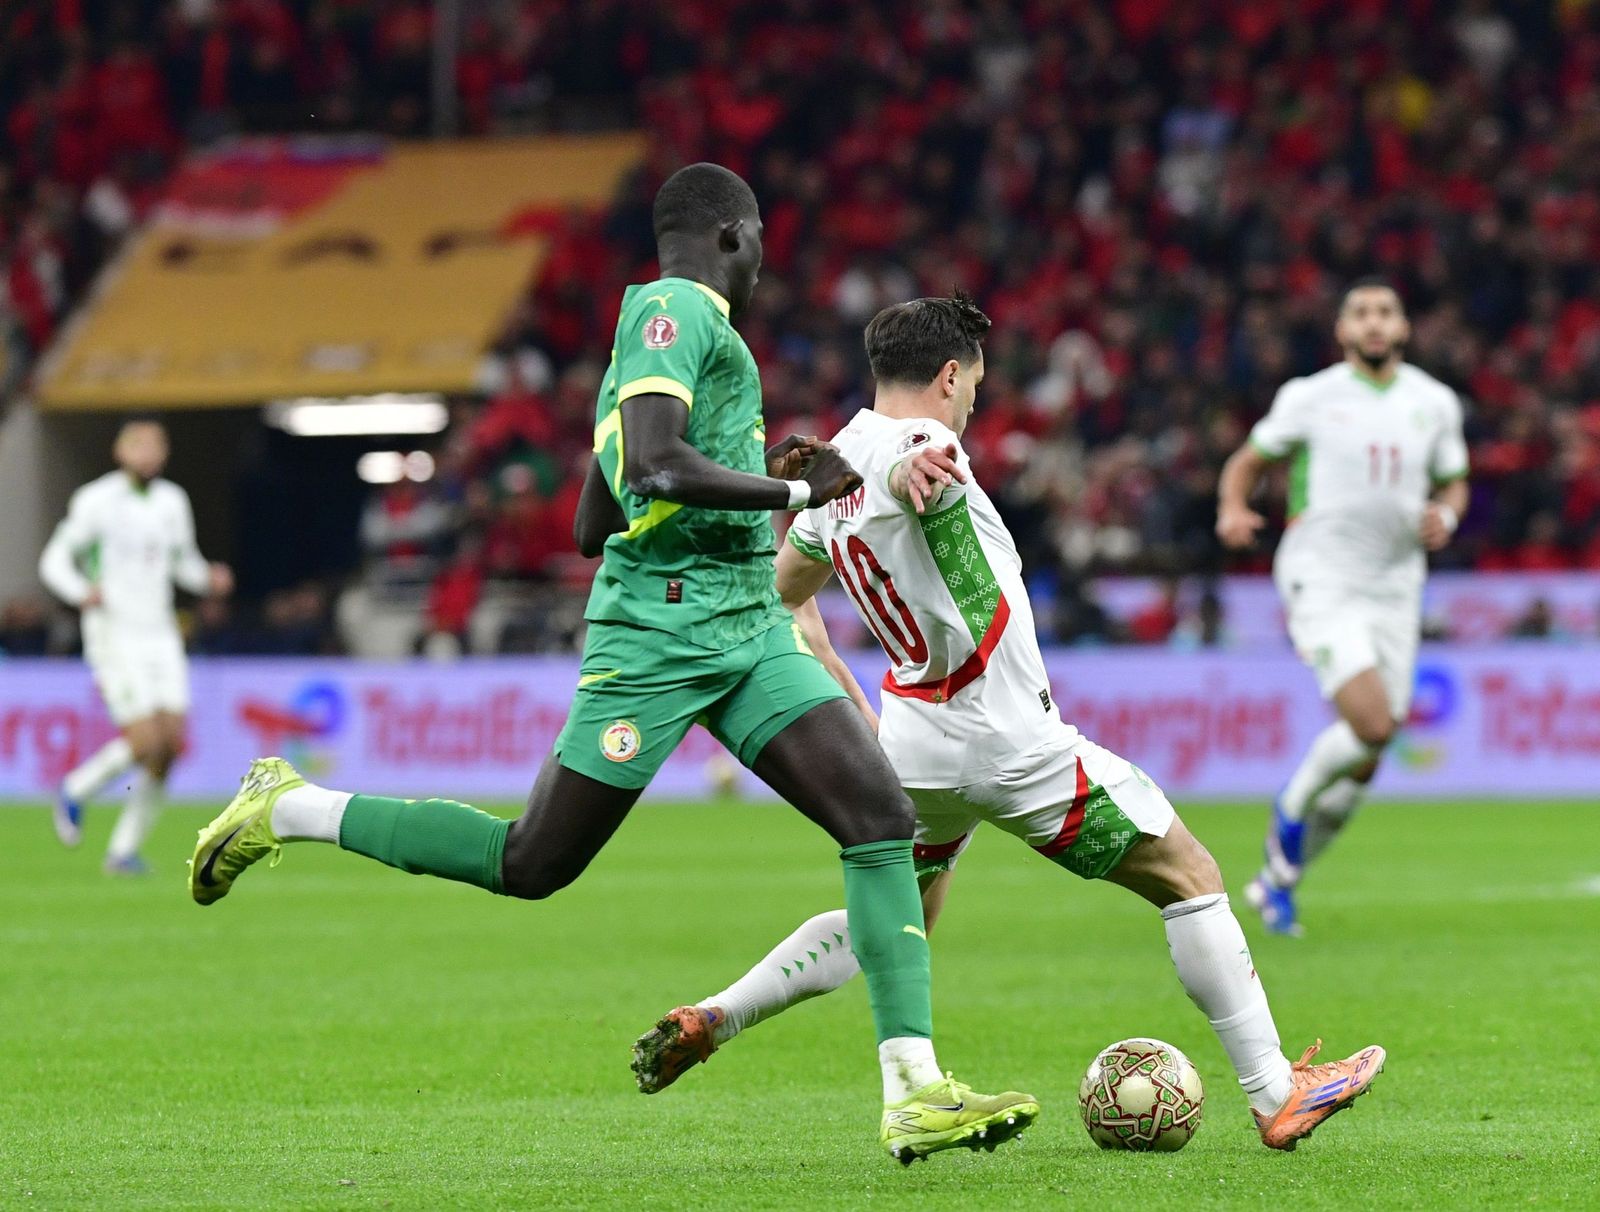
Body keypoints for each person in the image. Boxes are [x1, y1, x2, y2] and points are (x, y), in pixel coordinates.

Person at [186, 164, 1035, 1165]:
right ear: (729, 235)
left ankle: (913, 1093)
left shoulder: (659, 344)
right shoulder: (676, 310)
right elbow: (654, 467)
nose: (762, 256)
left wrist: (765, 479)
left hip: (742, 624)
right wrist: (797, 495)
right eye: (757, 236)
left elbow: (598, 517)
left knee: (879, 819)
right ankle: (289, 806)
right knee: (532, 862)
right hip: (661, 637)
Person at [631, 293, 1385, 1152]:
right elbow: (922, 462)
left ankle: (719, 1016)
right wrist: (914, 476)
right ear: (950, 375)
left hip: (913, 738)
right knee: (1190, 873)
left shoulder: (829, 469)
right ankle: (1276, 1091)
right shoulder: (925, 448)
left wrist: (845, 686)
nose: (974, 401)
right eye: (975, 384)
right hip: (1005, 736)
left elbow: (781, 598)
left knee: (896, 914)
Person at [1216, 278, 1470, 936]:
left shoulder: (1434, 402)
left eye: (1387, 311)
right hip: (1322, 575)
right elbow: (1247, 461)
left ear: (1404, 326)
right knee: (1374, 723)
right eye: (1361, 313)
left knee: (1366, 758)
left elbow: (1455, 481)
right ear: (1343, 330)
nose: (1375, 322)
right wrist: (1233, 506)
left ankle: (1277, 883)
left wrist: (1446, 511)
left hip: (1396, 585)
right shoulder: (1311, 397)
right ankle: (1288, 815)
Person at [39, 418, 233, 873]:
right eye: (139, 446)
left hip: (161, 633)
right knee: (146, 740)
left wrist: (208, 579)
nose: (148, 454)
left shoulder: (172, 501)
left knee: (171, 745)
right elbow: (54, 559)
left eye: (156, 446)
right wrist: (78, 590)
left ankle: (123, 850)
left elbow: (183, 562)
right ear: (120, 451)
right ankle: (75, 789)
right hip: (115, 633)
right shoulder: (96, 501)